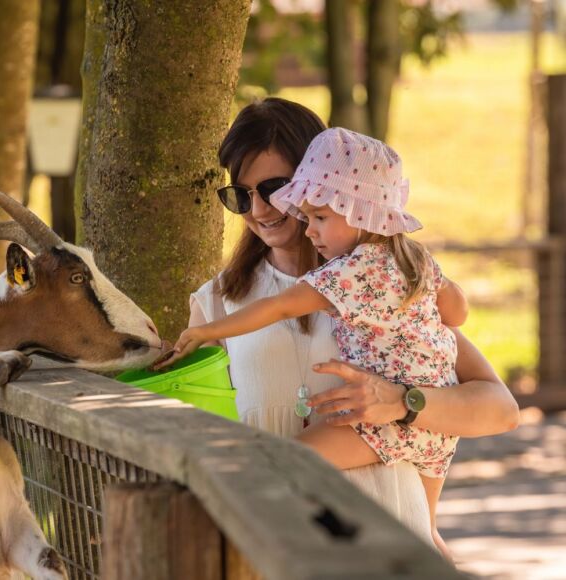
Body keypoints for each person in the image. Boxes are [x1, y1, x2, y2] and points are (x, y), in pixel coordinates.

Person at [179, 98, 519, 550]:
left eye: (276, 187)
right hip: (273, 546)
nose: (261, 209)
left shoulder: (387, 283)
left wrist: (403, 402)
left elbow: (500, 408)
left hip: (389, 540)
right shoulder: (217, 305)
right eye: (241, 195)